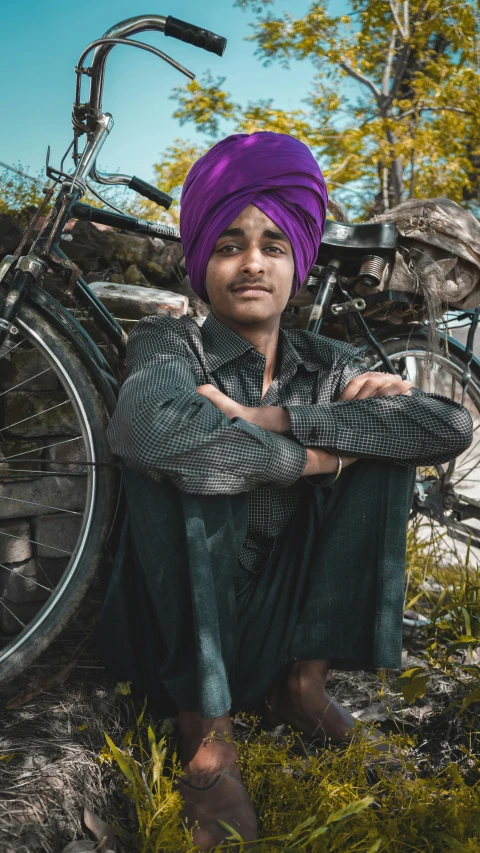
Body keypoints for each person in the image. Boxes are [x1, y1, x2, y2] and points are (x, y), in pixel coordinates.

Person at [96, 131, 472, 850]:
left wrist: (274, 417)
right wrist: (314, 459)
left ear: (298, 260)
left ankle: (301, 689)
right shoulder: (168, 345)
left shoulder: (330, 363)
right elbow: (152, 431)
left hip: (278, 622)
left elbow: (447, 425)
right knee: (194, 455)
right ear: (201, 255)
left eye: (273, 243)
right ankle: (205, 734)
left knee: (381, 441)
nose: (252, 262)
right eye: (230, 241)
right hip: (173, 627)